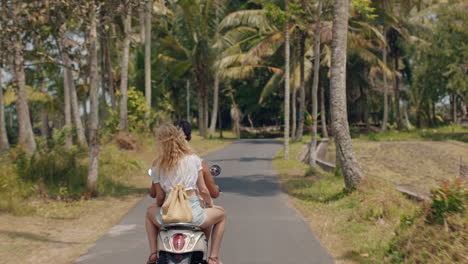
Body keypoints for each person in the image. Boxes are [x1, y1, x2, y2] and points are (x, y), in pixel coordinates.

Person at [145, 124, 226, 264]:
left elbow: (159, 198)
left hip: (168, 216)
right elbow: (203, 190)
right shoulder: (193, 159)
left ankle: (153, 253)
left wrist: (161, 205)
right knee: (222, 214)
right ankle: (213, 257)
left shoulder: (157, 164)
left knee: (148, 212)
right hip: (193, 215)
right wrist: (210, 205)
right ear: (180, 138)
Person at [149, 120, 220, 199]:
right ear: (189, 137)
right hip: (193, 206)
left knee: (151, 209)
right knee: (220, 211)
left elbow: (154, 193)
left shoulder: (159, 163)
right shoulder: (197, 161)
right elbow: (213, 193)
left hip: (169, 206)